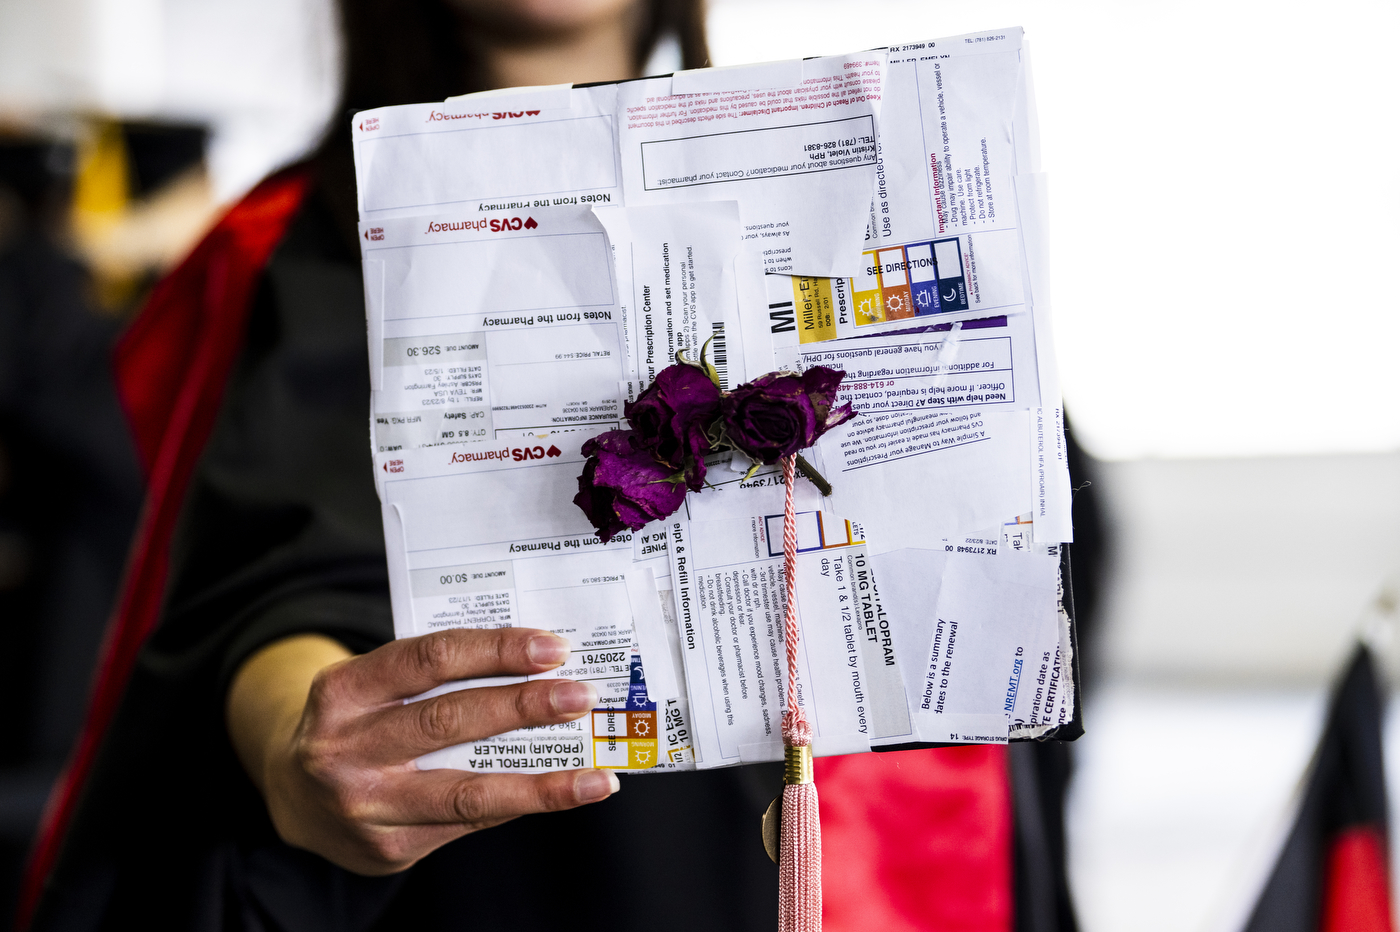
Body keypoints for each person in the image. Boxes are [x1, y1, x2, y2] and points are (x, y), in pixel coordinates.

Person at [26, 2, 788, 930]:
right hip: (481, 873)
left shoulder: (800, 180)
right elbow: (271, 592)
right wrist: (299, 754)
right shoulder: (291, 245)